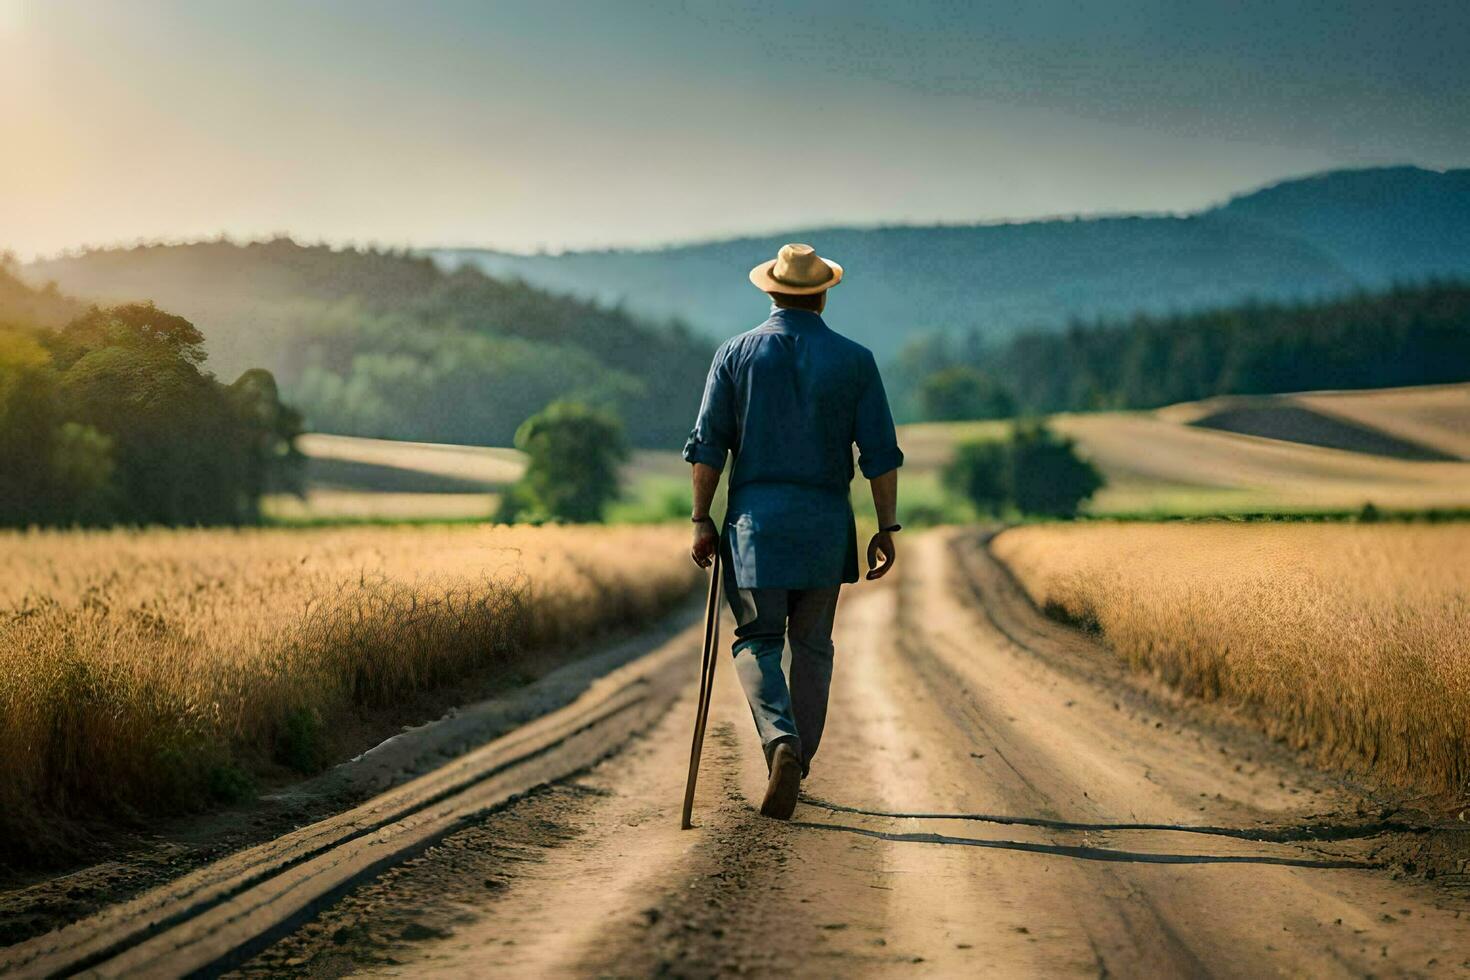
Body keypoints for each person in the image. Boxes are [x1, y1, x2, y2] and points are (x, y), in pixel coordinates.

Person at [683, 242, 903, 820]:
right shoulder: (856, 360)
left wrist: (701, 517)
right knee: (812, 647)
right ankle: (798, 760)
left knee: (757, 640)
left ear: (771, 290)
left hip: (756, 529)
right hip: (826, 529)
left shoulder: (734, 354)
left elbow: (708, 446)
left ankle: (779, 740)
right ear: (824, 293)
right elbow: (880, 454)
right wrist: (886, 527)